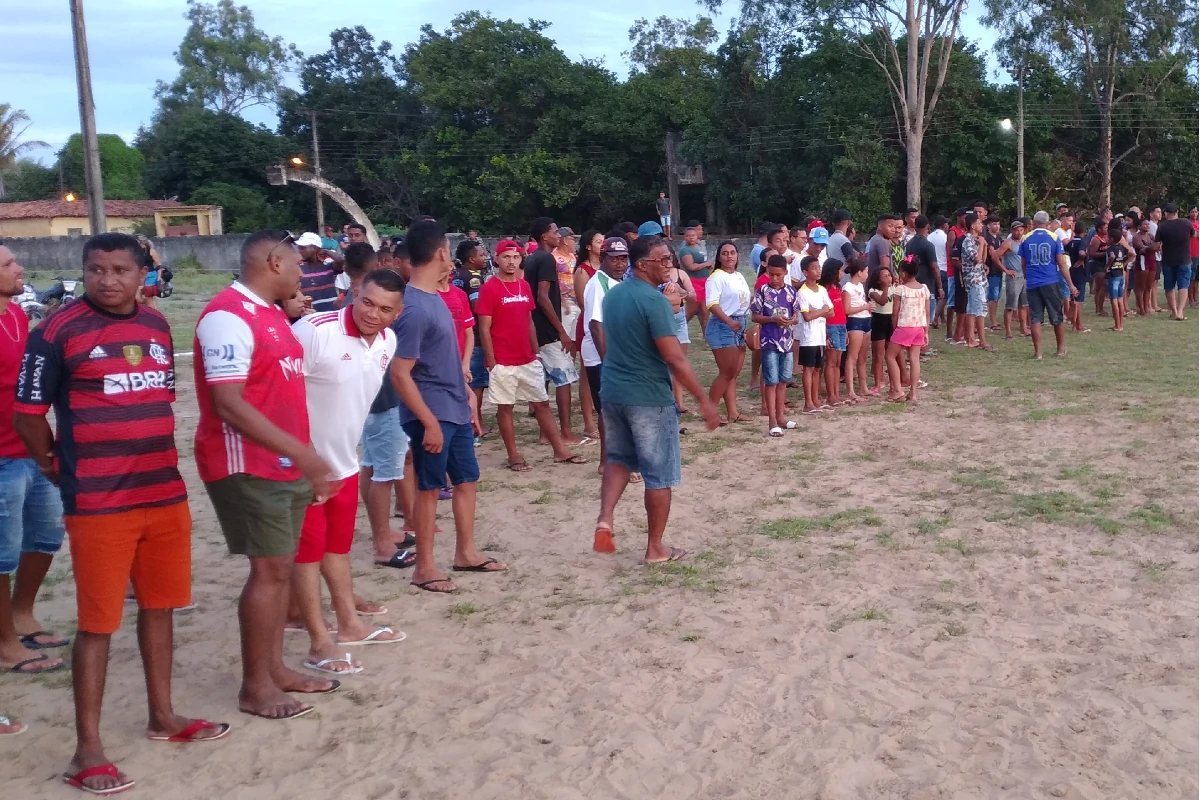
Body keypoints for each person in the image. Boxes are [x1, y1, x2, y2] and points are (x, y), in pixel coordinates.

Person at [15, 233, 228, 796]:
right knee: (97, 623)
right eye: (95, 270)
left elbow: (159, 398)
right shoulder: (55, 332)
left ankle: (164, 717)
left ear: (143, 274)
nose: (107, 281)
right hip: (98, 501)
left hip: (163, 493)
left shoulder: (158, 328)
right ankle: (87, 750)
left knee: (160, 609)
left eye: (119, 270)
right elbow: (28, 414)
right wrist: (52, 463)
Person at [195, 230, 338, 721]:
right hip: (247, 464)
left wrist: (302, 454)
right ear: (275, 262)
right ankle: (256, 686)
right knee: (270, 571)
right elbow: (228, 403)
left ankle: (274, 669)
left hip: (283, 463)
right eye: (298, 264)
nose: (304, 273)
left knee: (278, 572)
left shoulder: (273, 314)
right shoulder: (226, 316)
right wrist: (303, 453)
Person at [290, 270, 408, 677]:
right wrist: (303, 460)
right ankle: (318, 641)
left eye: (386, 308)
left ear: (398, 312)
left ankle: (349, 624)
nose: (373, 314)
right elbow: (280, 396)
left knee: (335, 548)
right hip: (305, 467)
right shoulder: (313, 330)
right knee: (306, 556)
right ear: (355, 294)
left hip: (343, 464)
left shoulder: (388, 342)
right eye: (368, 302)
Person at [389, 219, 506, 593]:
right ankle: (424, 566)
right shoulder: (414, 307)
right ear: (441, 252)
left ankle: (465, 552)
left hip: (453, 406)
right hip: (432, 414)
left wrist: (466, 394)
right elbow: (400, 373)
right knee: (428, 488)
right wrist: (429, 422)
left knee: (467, 480)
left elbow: (445, 356)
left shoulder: (435, 298)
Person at [591, 236, 719, 557]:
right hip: (648, 396)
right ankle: (655, 548)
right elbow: (674, 357)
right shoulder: (653, 301)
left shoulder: (614, 295)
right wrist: (702, 399)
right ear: (642, 264)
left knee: (619, 459)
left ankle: (605, 519)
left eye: (670, 259)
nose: (669, 266)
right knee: (659, 473)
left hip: (613, 390)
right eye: (662, 260)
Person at [0, 244, 68, 676]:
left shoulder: (16, 314)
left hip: (30, 446)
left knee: (44, 537)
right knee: (1, 556)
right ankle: (5, 643)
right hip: (1, 457)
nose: (19, 268)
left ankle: (21, 614)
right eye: (7, 264)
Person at [476, 239, 589, 472]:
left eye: (515, 257)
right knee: (505, 407)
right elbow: (484, 327)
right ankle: (513, 455)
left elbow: (528, 320)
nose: (511, 261)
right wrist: (492, 360)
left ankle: (559, 449)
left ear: (521, 259)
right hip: (502, 358)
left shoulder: (523, 286)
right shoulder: (490, 288)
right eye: (506, 257)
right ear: (496, 259)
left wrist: (535, 351)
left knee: (541, 403)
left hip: (527, 356)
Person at [581, 237, 637, 478]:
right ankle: (610, 461)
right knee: (610, 409)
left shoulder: (618, 283)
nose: (620, 264)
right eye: (614, 259)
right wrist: (609, 361)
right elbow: (595, 325)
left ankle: (612, 460)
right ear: (602, 259)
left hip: (618, 355)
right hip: (602, 356)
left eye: (624, 258)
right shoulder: (598, 284)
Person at [524, 218, 582, 445]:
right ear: (544, 236)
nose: (559, 235)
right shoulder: (547, 258)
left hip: (536, 327)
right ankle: (565, 432)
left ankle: (544, 434)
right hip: (548, 329)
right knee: (564, 378)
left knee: (545, 378)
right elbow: (542, 297)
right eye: (555, 231)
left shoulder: (532, 259)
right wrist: (561, 332)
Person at [751, 255, 799, 436]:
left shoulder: (791, 292)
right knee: (771, 381)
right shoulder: (762, 291)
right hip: (769, 341)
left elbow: (796, 314)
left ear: (785, 273)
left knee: (783, 380)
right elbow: (755, 316)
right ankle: (772, 420)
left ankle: (781, 417)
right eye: (771, 275)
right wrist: (772, 319)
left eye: (778, 275)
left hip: (786, 342)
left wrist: (792, 320)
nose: (774, 278)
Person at [704, 241, 752, 423]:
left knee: (733, 373)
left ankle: (732, 411)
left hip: (740, 323)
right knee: (726, 372)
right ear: (719, 257)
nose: (729, 256)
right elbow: (712, 304)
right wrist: (729, 321)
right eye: (725, 253)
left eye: (732, 252)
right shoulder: (716, 277)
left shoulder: (738, 275)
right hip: (724, 324)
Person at [1020, 210, 1076, 360]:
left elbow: (1023, 264)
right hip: (1050, 281)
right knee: (1056, 316)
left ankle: (1038, 353)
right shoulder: (1054, 237)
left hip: (1033, 282)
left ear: (1034, 222)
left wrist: (1028, 277)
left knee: (1035, 318)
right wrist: (1070, 284)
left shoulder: (1026, 238)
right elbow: (1061, 263)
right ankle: (1060, 349)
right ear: (1048, 223)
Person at [572, 230, 603, 440]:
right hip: (589, 324)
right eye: (598, 241)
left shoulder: (607, 270)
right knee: (587, 375)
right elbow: (584, 303)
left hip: (606, 324)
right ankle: (588, 423)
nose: (602, 244)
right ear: (588, 246)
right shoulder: (583, 271)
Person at [887, 258, 931, 403]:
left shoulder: (901, 289)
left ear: (904, 274)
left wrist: (895, 329)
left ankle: (898, 390)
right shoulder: (924, 289)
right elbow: (927, 312)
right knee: (914, 359)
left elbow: (895, 312)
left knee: (890, 356)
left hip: (904, 326)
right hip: (919, 327)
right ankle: (912, 393)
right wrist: (926, 331)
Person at [796, 256, 833, 414]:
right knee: (808, 369)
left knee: (818, 368)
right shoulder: (803, 292)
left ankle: (815, 399)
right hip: (808, 336)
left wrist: (817, 311)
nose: (818, 271)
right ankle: (808, 402)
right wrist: (822, 310)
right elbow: (807, 316)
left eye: (819, 267)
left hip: (820, 335)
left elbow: (831, 312)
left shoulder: (822, 290)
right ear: (805, 272)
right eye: (814, 268)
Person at [665, 245, 698, 413]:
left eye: (669, 258)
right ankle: (669, 402)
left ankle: (679, 403)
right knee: (665, 363)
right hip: (664, 318)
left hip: (679, 319)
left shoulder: (680, 274)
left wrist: (680, 291)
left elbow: (693, 295)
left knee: (680, 362)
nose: (667, 262)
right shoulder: (654, 276)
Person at [904, 215, 941, 352]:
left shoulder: (909, 244)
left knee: (915, 316)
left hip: (913, 282)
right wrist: (940, 286)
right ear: (928, 227)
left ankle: (914, 345)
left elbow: (908, 262)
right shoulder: (928, 245)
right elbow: (934, 266)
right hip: (926, 284)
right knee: (926, 316)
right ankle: (923, 346)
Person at [960, 213, 993, 351]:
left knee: (973, 309)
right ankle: (982, 340)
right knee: (979, 310)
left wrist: (983, 245)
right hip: (973, 279)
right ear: (973, 226)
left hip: (979, 277)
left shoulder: (976, 240)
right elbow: (977, 259)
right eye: (979, 223)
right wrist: (980, 245)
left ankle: (971, 339)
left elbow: (983, 259)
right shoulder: (968, 240)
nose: (982, 225)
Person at [841, 261, 873, 403]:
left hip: (866, 320)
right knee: (852, 357)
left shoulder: (860, 286)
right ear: (859, 272)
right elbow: (846, 309)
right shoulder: (847, 288)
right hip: (855, 322)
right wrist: (864, 307)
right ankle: (851, 390)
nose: (867, 274)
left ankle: (863, 387)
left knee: (862, 358)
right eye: (865, 271)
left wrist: (868, 308)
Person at [1155, 203, 1193, 321]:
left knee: (1169, 287)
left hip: (1168, 260)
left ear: (1166, 213)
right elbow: (1192, 235)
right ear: (1177, 212)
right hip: (1184, 259)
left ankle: (1174, 311)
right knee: (1183, 286)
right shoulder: (1186, 223)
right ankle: (1181, 311)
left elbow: (1157, 244)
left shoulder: (1162, 226)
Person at [818, 259, 847, 407]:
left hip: (841, 326)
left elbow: (841, 310)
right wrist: (826, 335)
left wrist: (845, 330)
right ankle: (831, 395)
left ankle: (836, 393)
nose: (842, 273)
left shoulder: (837, 288)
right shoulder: (826, 289)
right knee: (831, 362)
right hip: (831, 326)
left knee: (837, 362)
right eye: (840, 270)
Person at [296, 232, 341, 313]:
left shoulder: (328, 264)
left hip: (330, 312)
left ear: (314, 248)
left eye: (303, 248)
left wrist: (326, 251)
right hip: (310, 313)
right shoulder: (299, 268)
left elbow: (341, 261)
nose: (300, 250)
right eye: (299, 248)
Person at [998, 219, 1029, 339]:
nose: (1019, 232)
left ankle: (1023, 329)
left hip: (1024, 276)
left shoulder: (1024, 241)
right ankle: (1008, 332)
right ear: (1012, 230)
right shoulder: (1008, 243)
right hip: (1013, 277)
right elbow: (996, 256)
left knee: (1024, 304)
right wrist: (1005, 270)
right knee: (1011, 306)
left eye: (1021, 230)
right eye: (1017, 230)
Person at [677, 224, 712, 328]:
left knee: (705, 311)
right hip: (693, 281)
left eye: (693, 235)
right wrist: (706, 264)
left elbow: (702, 262)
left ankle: (707, 337)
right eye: (688, 236)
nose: (691, 237)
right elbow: (691, 266)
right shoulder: (685, 250)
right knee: (692, 310)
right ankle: (678, 328)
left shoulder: (699, 246)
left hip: (704, 280)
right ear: (685, 237)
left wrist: (708, 266)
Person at [868, 267, 894, 393]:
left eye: (889, 275)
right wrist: (886, 288)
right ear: (878, 280)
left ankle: (893, 382)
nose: (888, 278)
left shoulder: (894, 289)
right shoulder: (873, 291)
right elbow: (882, 302)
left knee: (890, 353)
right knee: (879, 355)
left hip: (890, 320)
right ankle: (878, 383)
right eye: (885, 276)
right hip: (879, 321)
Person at [1103, 220, 1131, 332]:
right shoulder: (1121, 247)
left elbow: (1111, 256)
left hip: (1113, 275)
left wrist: (1107, 266)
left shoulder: (1110, 249)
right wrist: (1123, 265)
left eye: (1107, 237)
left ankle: (1117, 325)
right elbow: (1132, 254)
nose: (1106, 239)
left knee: (1113, 300)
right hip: (1120, 274)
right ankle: (1121, 324)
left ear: (1112, 239)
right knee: (1120, 299)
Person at [1130, 217, 1159, 318]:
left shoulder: (1150, 236)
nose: (1147, 226)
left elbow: (1157, 246)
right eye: (1145, 224)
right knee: (1140, 287)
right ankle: (1141, 308)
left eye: (1148, 224)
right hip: (1142, 261)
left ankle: (1146, 307)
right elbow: (1141, 249)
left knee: (1148, 286)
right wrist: (1151, 247)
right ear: (1139, 226)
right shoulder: (1136, 237)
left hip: (1152, 261)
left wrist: (1149, 248)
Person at [1065, 220, 1091, 330]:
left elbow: (1065, 250)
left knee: (1073, 297)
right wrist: (1081, 260)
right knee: (1079, 300)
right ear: (1084, 231)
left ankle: (1074, 323)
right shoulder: (1082, 242)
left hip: (1072, 271)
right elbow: (1082, 252)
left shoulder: (1071, 242)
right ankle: (1079, 325)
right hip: (1080, 272)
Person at [984, 216, 1005, 329]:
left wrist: (996, 253)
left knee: (996, 296)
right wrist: (996, 253)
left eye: (998, 224)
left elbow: (1000, 253)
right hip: (990, 271)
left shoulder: (999, 238)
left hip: (998, 271)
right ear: (988, 225)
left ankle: (994, 319)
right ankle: (992, 322)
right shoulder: (986, 238)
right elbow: (992, 255)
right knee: (992, 296)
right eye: (994, 224)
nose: (996, 226)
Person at [929, 215, 949, 327]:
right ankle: (936, 318)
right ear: (943, 225)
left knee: (937, 295)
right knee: (943, 295)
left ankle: (941, 318)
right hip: (943, 268)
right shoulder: (945, 238)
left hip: (932, 269)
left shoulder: (929, 237)